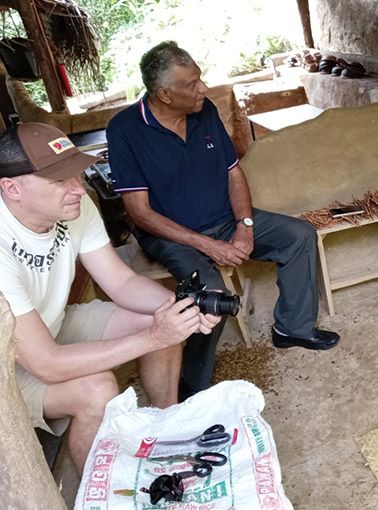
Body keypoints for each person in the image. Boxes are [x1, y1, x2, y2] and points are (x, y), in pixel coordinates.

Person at [106, 41, 339, 399]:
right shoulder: (125, 130)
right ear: (165, 94)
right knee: (210, 295)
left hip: (225, 220)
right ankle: (192, 386)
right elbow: (140, 213)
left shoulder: (205, 111)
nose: (203, 88)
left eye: (200, 78)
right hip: (172, 236)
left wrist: (244, 226)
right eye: (192, 84)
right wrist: (208, 245)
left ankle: (292, 328)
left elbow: (233, 173)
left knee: (299, 235)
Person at [0, 122, 219, 472]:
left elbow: (122, 282)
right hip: (8, 368)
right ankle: (100, 494)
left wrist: (183, 307)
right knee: (97, 390)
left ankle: (166, 424)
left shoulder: (74, 205)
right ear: (12, 188)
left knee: (161, 316)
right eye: (59, 180)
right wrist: (154, 337)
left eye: (76, 173)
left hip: (48, 326)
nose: (78, 188)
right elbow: (45, 363)